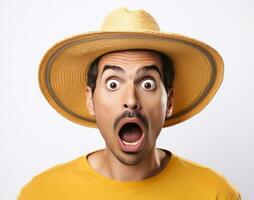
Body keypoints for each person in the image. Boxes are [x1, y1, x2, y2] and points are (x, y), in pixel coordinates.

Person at [18, 7, 241, 200]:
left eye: (147, 84)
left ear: (169, 100)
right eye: (113, 84)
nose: (131, 101)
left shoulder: (216, 194)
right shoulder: (42, 193)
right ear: (90, 100)